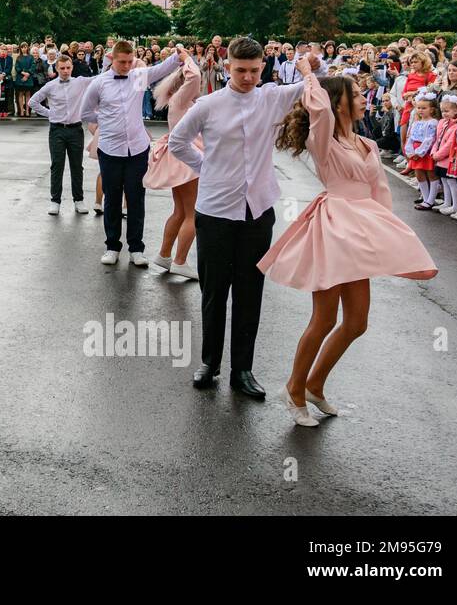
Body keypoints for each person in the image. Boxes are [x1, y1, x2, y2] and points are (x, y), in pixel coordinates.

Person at [262, 58, 436, 426]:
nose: (363, 99)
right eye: (356, 94)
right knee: (324, 319)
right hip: (332, 228)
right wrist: (310, 74)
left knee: (357, 322)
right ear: (339, 102)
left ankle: (315, 384)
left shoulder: (369, 144)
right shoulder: (322, 138)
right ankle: (293, 388)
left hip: (361, 232)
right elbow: (320, 110)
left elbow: (380, 192)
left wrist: (388, 236)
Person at [169, 37, 311, 400]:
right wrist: (207, 168)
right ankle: (209, 363)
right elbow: (178, 141)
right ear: (228, 66)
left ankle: (242, 370)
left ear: (263, 66)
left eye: (253, 70)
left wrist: (311, 62)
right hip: (215, 210)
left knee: (251, 291)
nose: (247, 78)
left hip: (258, 210)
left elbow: (314, 82)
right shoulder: (209, 105)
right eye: (239, 71)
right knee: (214, 290)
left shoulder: (272, 97)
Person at [78, 41, 186, 267]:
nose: (127, 66)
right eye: (122, 62)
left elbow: (163, 68)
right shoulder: (98, 83)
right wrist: (103, 123)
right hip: (109, 149)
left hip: (137, 148)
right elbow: (86, 111)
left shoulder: (138, 76)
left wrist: (179, 54)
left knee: (136, 199)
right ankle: (111, 246)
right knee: (112, 199)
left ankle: (137, 248)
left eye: (130, 61)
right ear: (112, 59)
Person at [144, 53, 202, 279]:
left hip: (179, 157)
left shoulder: (180, 103)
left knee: (180, 211)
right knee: (193, 213)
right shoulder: (181, 101)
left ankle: (165, 255)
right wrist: (185, 55)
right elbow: (195, 75)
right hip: (186, 159)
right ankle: (179, 260)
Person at [29, 53, 93, 216]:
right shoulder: (50, 86)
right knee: (57, 165)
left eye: (68, 68)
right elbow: (33, 102)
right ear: (56, 69)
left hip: (76, 129)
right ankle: (55, 201)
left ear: (72, 67)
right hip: (57, 129)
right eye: (62, 68)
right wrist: (50, 114)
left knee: (77, 166)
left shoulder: (80, 82)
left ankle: (78, 200)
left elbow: (99, 78)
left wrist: (113, 63)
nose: (65, 71)